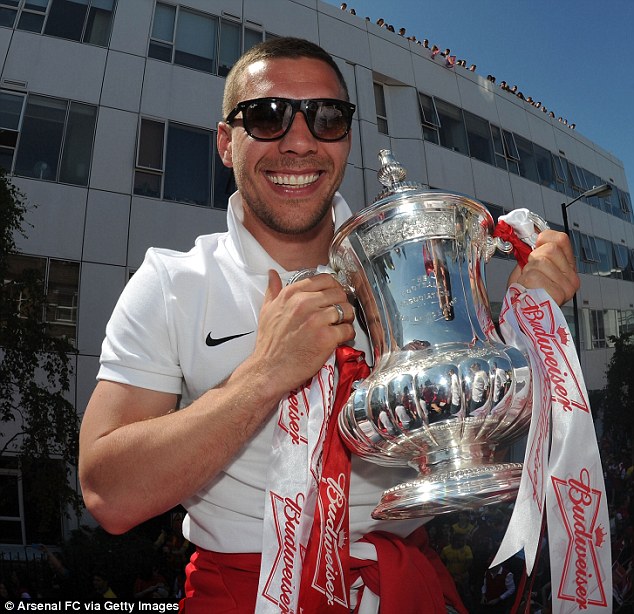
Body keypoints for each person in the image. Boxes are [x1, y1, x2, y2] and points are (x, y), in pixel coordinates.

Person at [78, 37, 580, 613]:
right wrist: (263, 376)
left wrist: (528, 327)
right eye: (266, 117)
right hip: (247, 594)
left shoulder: (410, 263)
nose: (299, 142)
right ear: (225, 142)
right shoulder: (173, 283)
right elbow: (107, 493)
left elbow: (476, 431)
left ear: (346, 139)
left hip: (403, 587)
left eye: (326, 118)